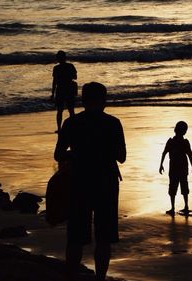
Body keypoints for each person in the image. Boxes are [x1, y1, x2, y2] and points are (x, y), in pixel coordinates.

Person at [54, 82, 126, 281]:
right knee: (104, 237)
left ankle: (71, 276)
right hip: (106, 182)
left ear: (83, 100)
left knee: (76, 236)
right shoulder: (112, 123)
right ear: (104, 101)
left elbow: (58, 155)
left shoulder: (71, 123)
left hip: (79, 182)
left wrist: (76, 156)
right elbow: (122, 157)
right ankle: (100, 278)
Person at [159, 121, 192, 216]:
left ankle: (175, 207)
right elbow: (189, 155)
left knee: (175, 187)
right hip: (179, 167)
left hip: (177, 167)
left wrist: (161, 165)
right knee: (180, 187)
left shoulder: (176, 142)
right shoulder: (177, 142)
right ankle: (184, 207)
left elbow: (189, 155)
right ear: (184, 131)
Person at [52, 50, 77, 132]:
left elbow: (54, 81)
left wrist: (52, 93)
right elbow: (75, 77)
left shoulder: (56, 68)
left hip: (60, 89)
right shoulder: (70, 66)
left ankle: (59, 128)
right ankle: (73, 127)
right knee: (71, 110)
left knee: (60, 110)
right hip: (69, 89)